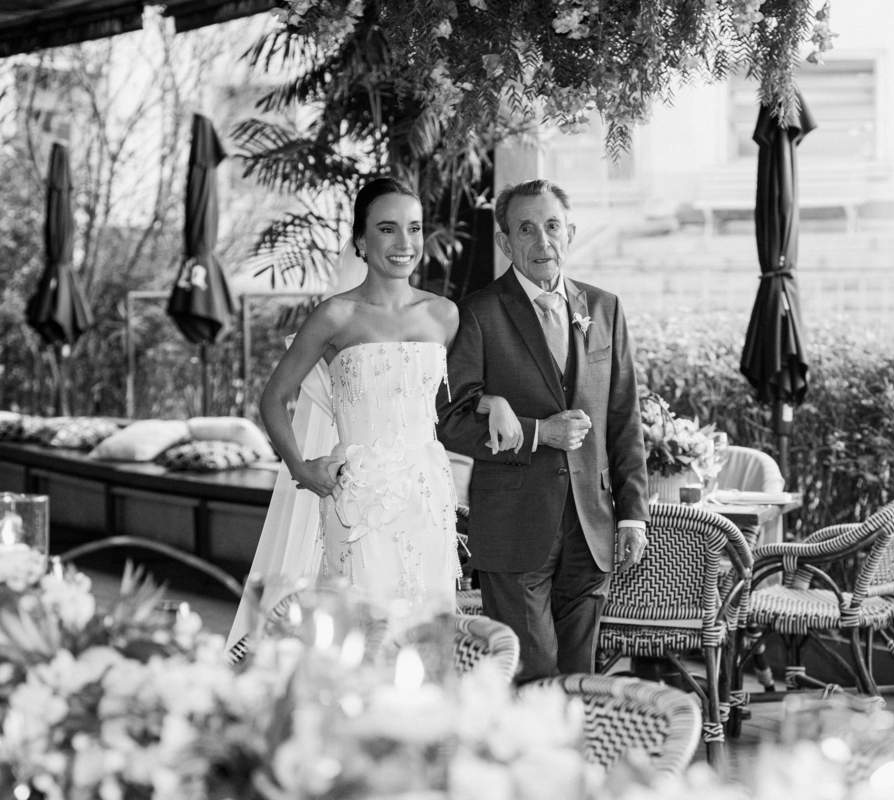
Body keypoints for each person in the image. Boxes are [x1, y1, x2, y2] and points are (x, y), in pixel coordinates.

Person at [225, 178, 522, 658]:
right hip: (357, 498)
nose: (405, 243)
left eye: (414, 228)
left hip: (426, 496)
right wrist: (302, 469)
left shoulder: (445, 315)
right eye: (387, 229)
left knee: (424, 631)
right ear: (361, 241)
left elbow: (454, 399)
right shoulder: (335, 316)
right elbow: (273, 398)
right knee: (361, 632)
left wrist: (496, 403)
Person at [437, 178, 650, 682]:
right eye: (526, 229)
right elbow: (450, 421)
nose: (543, 241)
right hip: (514, 527)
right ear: (505, 241)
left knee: (578, 678)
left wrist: (632, 515)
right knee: (533, 672)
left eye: (552, 226)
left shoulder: (604, 308)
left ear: (570, 233)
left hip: (592, 525)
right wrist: (538, 433)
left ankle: (574, 738)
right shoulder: (478, 313)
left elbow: (624, 417)